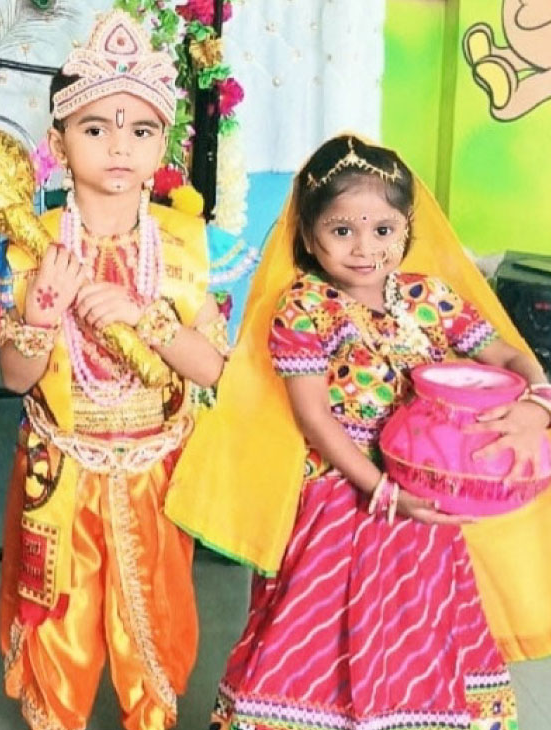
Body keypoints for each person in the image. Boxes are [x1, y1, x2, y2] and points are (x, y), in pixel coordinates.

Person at [166, 134, 551, 729]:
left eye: (383, 230)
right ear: (309, 234)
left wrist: (538, 403)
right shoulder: (303, 307)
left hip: (428, 501)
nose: (365, 248)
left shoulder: (428, 298)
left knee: (420, 635)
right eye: (342, 230)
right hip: (339, 500)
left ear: (406, 230)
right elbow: (314, 417)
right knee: (316, 639)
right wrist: (380, 488)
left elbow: (509, 356)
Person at [0, 11, 230, 730]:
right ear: (57, 143)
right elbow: (18, 377)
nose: (120, 147)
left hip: (157, 466)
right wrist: (43, 313)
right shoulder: (37, 243)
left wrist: (149, 317)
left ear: (164, 144)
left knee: (158, 613)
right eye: (95, 129)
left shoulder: (183, 239)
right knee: (60, 613)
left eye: (141, 130)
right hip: (61, 467)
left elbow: (211, 369)